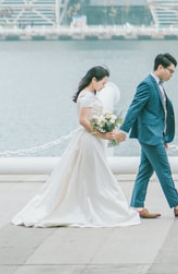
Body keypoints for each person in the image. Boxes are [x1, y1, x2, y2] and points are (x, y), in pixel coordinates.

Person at [12, 66, 141, 228]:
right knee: (95, 173)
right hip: (89, 139)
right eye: (103, 82)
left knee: (92, 173)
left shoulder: (89, 94)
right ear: (93, 80)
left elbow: (93, 119)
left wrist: (108, 129)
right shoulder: (86, 96)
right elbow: (83, 120)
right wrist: (101, 134)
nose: (104, 87)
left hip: (91, 138)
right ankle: (91, 205)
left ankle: (91, 202)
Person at [121, 53, 178, 219]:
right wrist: (123, 130)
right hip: (150, 136)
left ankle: (137, 206)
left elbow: (160, 112)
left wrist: (163, 136)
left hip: (154, 135)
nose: (172, 74)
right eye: (170, 71)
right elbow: (134, 108)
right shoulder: (146, 84)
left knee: (144, 171)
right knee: (164, 170)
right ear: (160, 67)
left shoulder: (157, 84)